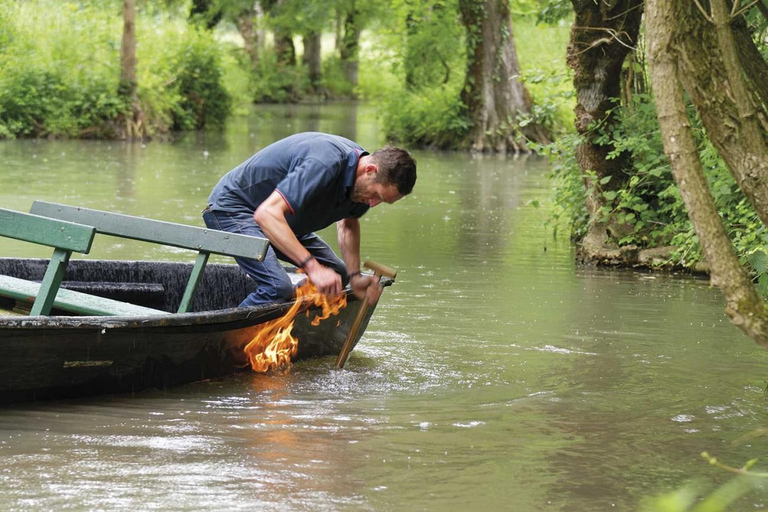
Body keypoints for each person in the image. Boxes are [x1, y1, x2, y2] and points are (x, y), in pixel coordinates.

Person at [203, 132, 417, 308]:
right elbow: (266, 215)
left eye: (382, 201)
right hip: (233, 209)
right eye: (377, 195)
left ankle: (282, 327)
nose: (372, 204)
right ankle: (223, 347)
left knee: (337, 274)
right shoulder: (324, 163)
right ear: (370, 170)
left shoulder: (363, 184)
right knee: (276, 287)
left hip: (281, 221)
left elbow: (349, 224)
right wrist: (314, 268)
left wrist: (354, 276)